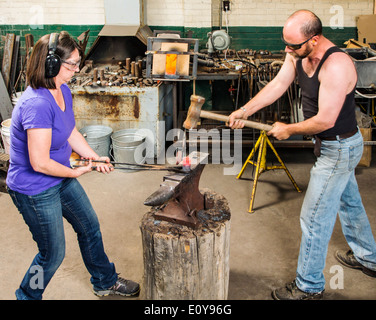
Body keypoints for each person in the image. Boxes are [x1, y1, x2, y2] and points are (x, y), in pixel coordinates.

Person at [229, 10, 376, 300]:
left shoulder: (336, 65)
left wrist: (289, 129)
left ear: (315, 39)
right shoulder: (297, 54)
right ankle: (369, 257)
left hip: (340, 148)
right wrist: (245, 111)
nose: (288, 50)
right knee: (350, 204)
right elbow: (278, 84)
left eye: (293, 45)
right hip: (331, 145)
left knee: (314, 217)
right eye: (286, 44)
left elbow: (325, 120)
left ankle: (309, 286)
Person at [6, 32, 140, 300]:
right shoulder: (37, 104)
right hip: (34, 189)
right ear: (51, 64)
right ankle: (26, 296)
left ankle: (104, 281)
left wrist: (94, 157)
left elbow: (70, 132)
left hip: (59, 176)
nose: (77, 70)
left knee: (89, 226)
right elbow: (40, 162)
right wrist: (74, 171)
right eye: (72, 65)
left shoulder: (62, 90)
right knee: (52, 254)